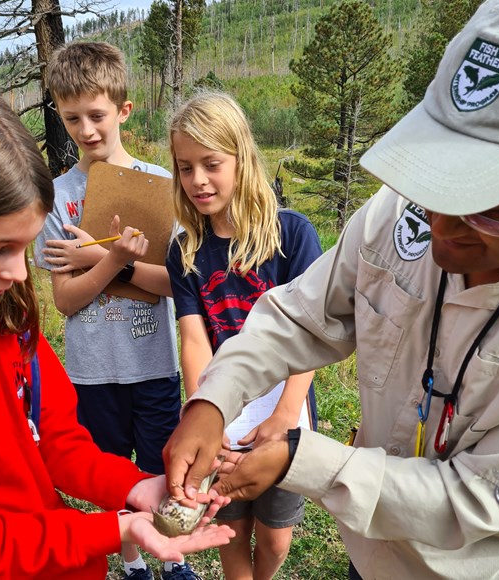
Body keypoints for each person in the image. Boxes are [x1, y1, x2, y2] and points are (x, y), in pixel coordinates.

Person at [163, 1, 499, 578]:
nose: (439, 225)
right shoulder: (397, 218)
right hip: (371, 554)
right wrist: (214, 398)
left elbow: (480, 500)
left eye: (488, 208)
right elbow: (300, 316)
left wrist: (303, 459)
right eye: (434, 181)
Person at [0, 75, 234, 579]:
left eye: (22, 247)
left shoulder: (2, 320)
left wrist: (136, 486)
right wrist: (114, 531)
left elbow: (56, 439)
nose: (16, 274)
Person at [33, 41, 193, 580]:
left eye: (97, 115)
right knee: (109, 473)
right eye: (72, 117)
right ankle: (130, 560)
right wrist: (117, 260)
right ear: (58, 111)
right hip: (92, 370)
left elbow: (176, 283)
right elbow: (66, 300)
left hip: (154, 365)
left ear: (124, 110)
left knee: (160, 468)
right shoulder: (56, 200)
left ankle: (171, 558)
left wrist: (96, 259)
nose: (87, 129)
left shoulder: (164, 188)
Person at [166, 91, 322, 580]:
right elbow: (195, 340)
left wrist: (283, 416)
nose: (198, 180)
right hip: (222, 407)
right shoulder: (186, 251)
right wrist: (204, 417)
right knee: (229, 527)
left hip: (285, 408)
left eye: (211, 163)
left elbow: (312, 331)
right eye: (185, 167)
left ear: (242, 157)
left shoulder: (291, 235)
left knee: (274, 536)